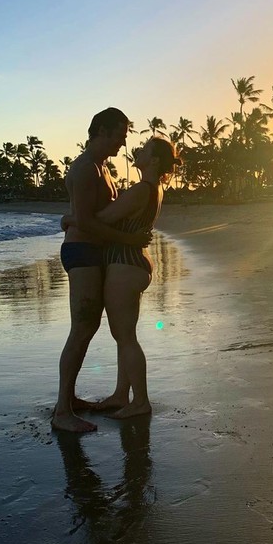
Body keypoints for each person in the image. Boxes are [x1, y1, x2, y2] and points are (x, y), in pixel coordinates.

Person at [61, 136, 181, 421]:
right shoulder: (154, 188)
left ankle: (140, 401)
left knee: (125, 337)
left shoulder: (142, 189)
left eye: (144, 149)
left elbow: (103, 217)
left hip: (126, 264)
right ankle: (120, 395)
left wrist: (70, 220)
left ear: (153, 161)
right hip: (134, 263)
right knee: (124, 335)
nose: (137, 151)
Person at [52, 108, 151, 433]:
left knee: (88, 326)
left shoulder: (102, 168)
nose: (124, 143)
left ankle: (69, 400)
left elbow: (98, 214)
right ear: (103, 131)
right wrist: (129, 239)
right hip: (81, 253)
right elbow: (86, 221)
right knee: (82, 327)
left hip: (93, 253)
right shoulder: (83, 169)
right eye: (121, 135)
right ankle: (62, 411)